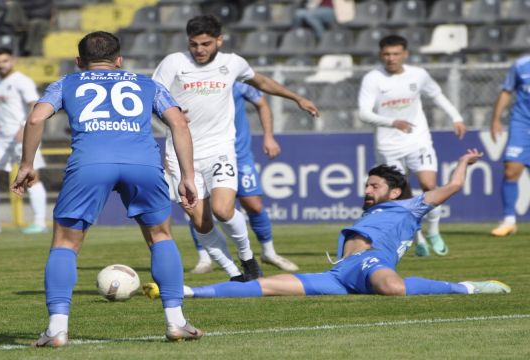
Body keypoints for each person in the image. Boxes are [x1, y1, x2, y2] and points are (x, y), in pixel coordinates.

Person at [10, 31, 202, 347]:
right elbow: (179, 123)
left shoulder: (65, 83)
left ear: (78, 61)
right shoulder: (147, 84)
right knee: (161, 237)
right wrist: (188, 176)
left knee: (65, 243)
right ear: (119, 60)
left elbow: (35, 120)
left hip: (90, 164)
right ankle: (176, 321)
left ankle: (57, 329)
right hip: (142, 163)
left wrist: (27, 164)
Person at [143, 149, 511, 299]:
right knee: (266, 286)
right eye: (366, 184)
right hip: (339, 274)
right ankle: (189, 293)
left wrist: (464, 160)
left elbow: (455, 186)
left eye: (374, 186)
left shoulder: (412, 207)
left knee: (394, 289)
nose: (366, 190)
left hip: (370, 264)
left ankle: (464, 287)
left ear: (396, 192)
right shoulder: (374, 211)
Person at [152, 15, 318, 282]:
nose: (200, 50)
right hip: (182, 154)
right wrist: (168, 113)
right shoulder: (174, 63)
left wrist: (296, 97)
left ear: (219, 40)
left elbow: (261, 82)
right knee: (200, 222)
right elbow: (153, 95)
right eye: (194, 44)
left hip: (220, 149)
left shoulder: (233, 63)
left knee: (223, 210)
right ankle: (234, 273)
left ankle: (248, 258)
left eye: (206, 43)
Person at [358, 35, 467, 257]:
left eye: (396, 54)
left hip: (418, 139)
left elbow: (437, 96)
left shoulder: (418, 75)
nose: (391, 58)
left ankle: (434, 231)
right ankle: (417, 237)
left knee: (429, 185)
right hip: (388, 146)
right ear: (381, 55)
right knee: (403, 197)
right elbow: (364, 113)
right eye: (387, 54)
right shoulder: (373, 79)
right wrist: (392, 122)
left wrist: (456, 117)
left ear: (405, 54)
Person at [189, 82, 299, 274]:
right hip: (205, 153)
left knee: (253, 203)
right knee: (200, 206)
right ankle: (204, 259)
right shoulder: (193, 84)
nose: (200, 50)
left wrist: (268, 136)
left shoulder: (236, 82)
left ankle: (269, 253)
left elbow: (262, 103)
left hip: (239, 154)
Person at [0, 47, 48, 235]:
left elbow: (35, 106)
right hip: (1, 139)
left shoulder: (22, 81)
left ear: (13, 61)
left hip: (23, 137)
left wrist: (24, 128)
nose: (1, 65)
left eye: (4, 61)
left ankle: (39, 222)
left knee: (31, 179)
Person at [489, 54, 530, 237]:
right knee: (511, 169)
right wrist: (496, 119)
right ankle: (509, 221)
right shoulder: (521, 65)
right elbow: (507, 91)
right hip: (522, 123)